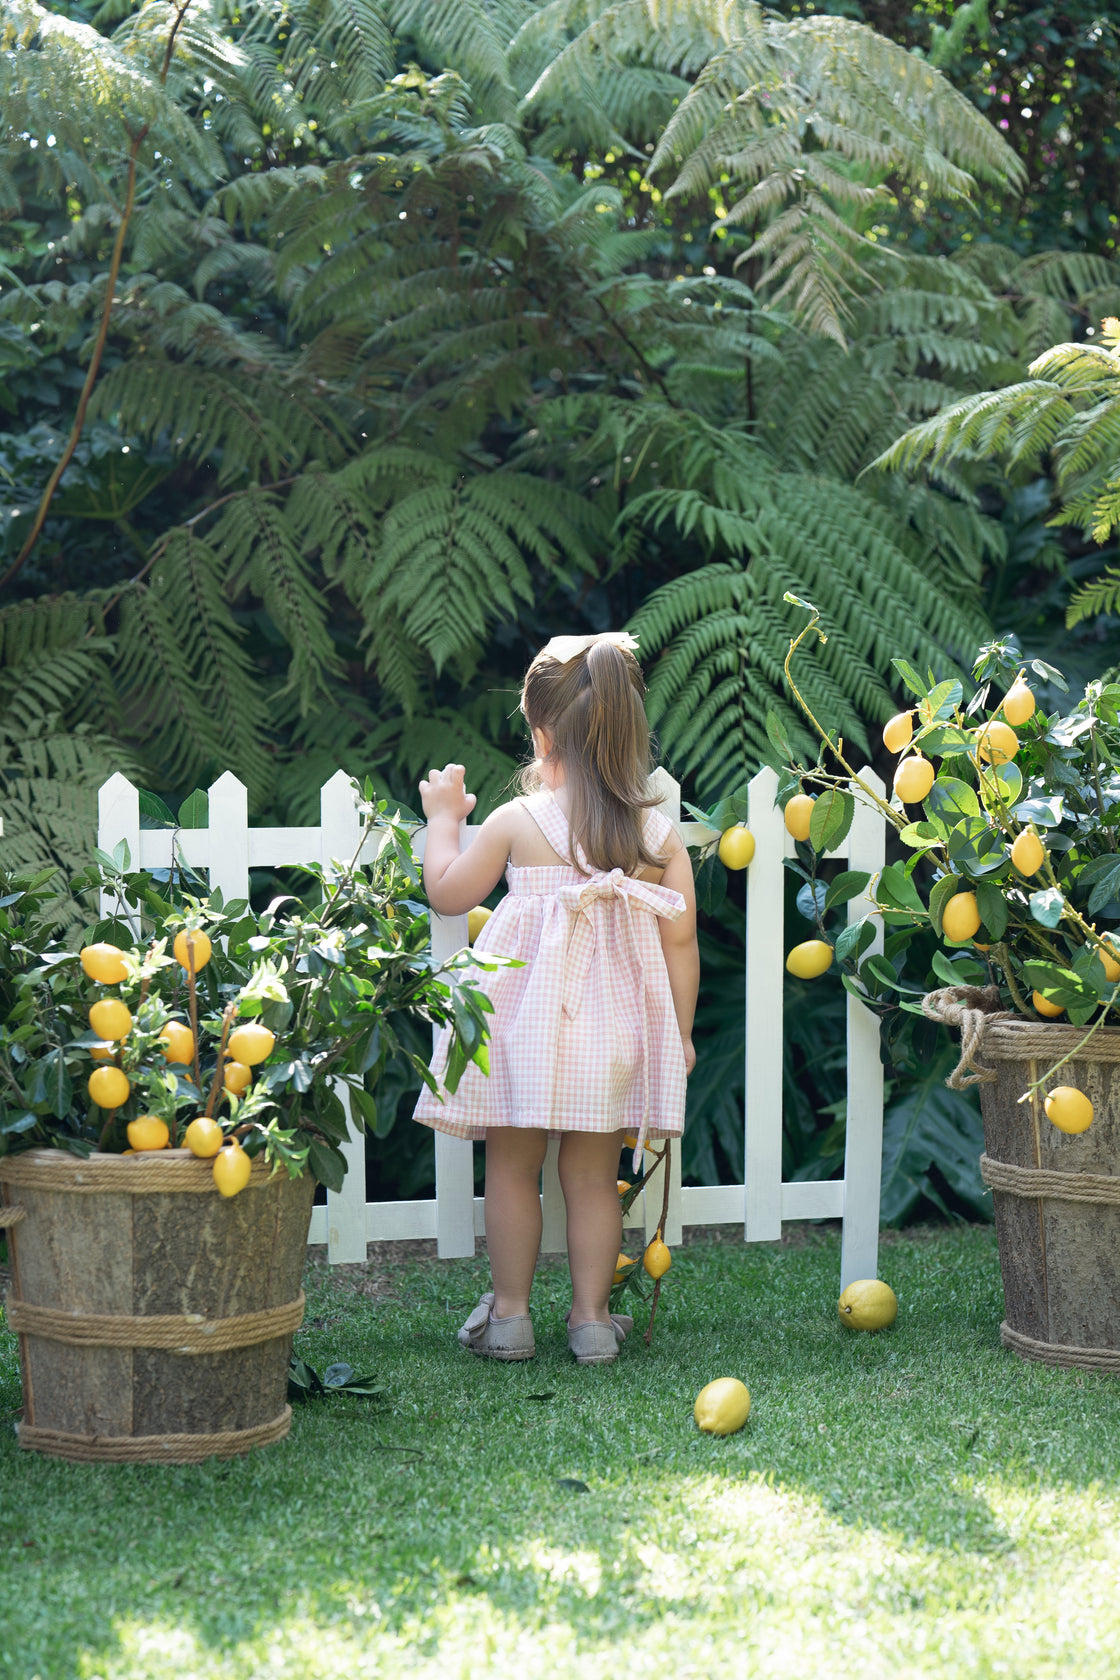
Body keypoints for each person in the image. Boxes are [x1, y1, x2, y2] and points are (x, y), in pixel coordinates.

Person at [414, 631, 699, 1365]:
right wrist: (684, 1033)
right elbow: (680, 943)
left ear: (540, 734)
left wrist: (444, 821)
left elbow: (448, 893)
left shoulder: (518, 822)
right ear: (631, 732)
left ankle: (509, 1317)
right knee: (593, 1178)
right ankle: (593, 1321)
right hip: (611, 1033)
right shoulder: (657, 836)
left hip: (524, 1028)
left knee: (511, 1167)